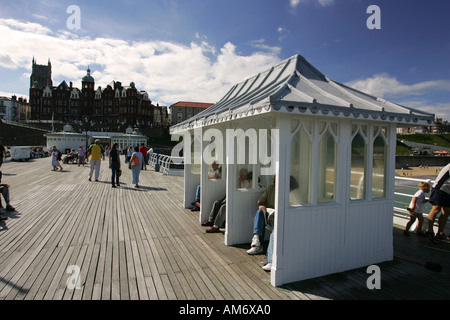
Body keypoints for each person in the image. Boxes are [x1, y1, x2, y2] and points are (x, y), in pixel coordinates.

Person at [247, 175, 276, 255]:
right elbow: (261, 200)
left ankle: (269, 255)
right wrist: (261, 205)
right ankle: (257, 242)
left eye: (275, 179)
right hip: (270, 214)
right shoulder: (271, 188)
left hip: (279, 217)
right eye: (273, 178)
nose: (273, 181)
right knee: (259, 212)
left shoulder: (287, 190)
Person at [427, 163, 450, 242]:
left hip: (448, 191)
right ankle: (430, 232)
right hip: (440, 189)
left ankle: (440, 233)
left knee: (447, 211)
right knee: (436, 209)